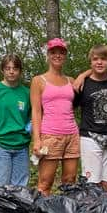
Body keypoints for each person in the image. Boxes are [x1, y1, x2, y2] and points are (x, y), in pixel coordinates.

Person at [29, 38, 80, 196]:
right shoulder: (38, 80)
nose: (57, 55)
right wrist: (37, 139)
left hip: (72, 135)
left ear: (65, 56)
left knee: (70, 180)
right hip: (50, 136)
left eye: (61, 52)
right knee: (45, 183)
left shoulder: (71, 81)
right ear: (48, 55)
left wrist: (86, 73)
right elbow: (36, 112)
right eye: (54, 52)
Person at [73, 44, 107, 191]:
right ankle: (92, 212)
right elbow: (70, 109)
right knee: (92, 183)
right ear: (90, 62)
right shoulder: (82, 84)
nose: (99, 62)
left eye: (104, 59)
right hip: (90, 138)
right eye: (95, 59)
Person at [0, 54, 31, 187]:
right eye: (8, 68)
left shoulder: (27, 93)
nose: (11, 71)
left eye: (15, 68)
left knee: (20, 188)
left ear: (20, 71)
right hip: (0, 143)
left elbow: (33, 119)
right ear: (2, 70)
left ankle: (18, 209)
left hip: (22, 144)